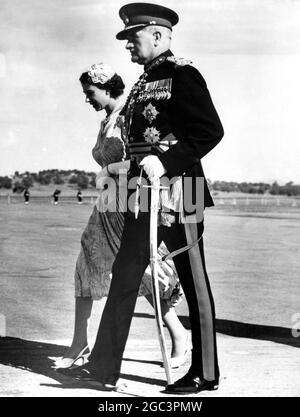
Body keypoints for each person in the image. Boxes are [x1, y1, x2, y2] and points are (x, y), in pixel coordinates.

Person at [63, 3, 223, 394]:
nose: (128, 47)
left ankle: (205, 373)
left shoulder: (183, 75)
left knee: (194, 280)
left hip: (182, 194)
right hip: (144, 196)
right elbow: (136, 148)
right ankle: (103, 368)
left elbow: (209, 132)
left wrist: (166, 161)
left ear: (157, 34)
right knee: (124, 276)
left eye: (132, 38)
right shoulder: (140, 83)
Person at [54, 62, 189, 371]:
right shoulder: (107, 120)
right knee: (87, 264)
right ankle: (79, 343)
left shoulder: (130, 115)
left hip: (132, 202)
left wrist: (111, 169)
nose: (87, 98)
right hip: (107, 205)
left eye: (90, 93)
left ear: (106, 88)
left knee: (143, 273)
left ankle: (179, 335)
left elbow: (146, 161)